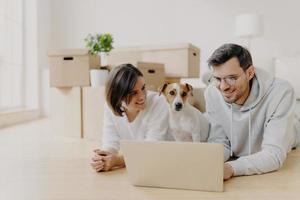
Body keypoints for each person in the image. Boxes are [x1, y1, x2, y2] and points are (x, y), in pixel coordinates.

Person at [205, 43, 300, 180]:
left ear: (250, 73)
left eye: (231, 78)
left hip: (292, 135)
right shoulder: (212, 93)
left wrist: (230, 168)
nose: (223, 87)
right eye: (218, 79)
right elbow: (220, 141)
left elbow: (273, 154)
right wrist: (207, 162)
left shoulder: (281, 92)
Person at [90, 63, 169, 172]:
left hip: (165, 162)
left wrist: (118, 161)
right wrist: (103, 158)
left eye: (143, 88)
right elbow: (110, 141)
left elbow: (152, 148)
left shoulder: (158, 102)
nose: (142, 96)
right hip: (141, 162)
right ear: (118, 97)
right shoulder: (110, 107)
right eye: (133, 93)